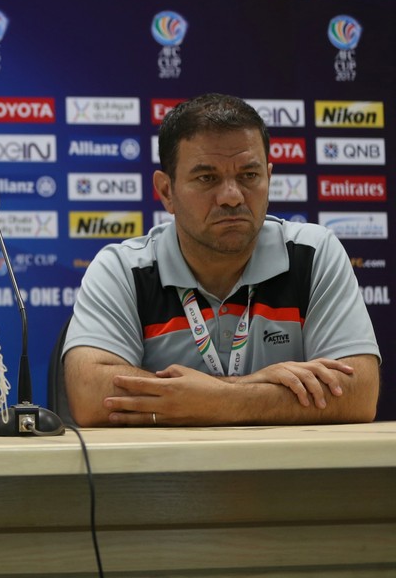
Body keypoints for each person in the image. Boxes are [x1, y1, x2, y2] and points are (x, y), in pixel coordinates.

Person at [63, 93, 381, 426]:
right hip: (171, 462)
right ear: (166, 191)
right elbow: (91, 394)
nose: (232, 196)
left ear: (268, 178)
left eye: (249, 176)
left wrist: (216, 399)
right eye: (207, 178)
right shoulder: (124, 270)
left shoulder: (313, 254)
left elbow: (359, 393)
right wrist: (253, 390)